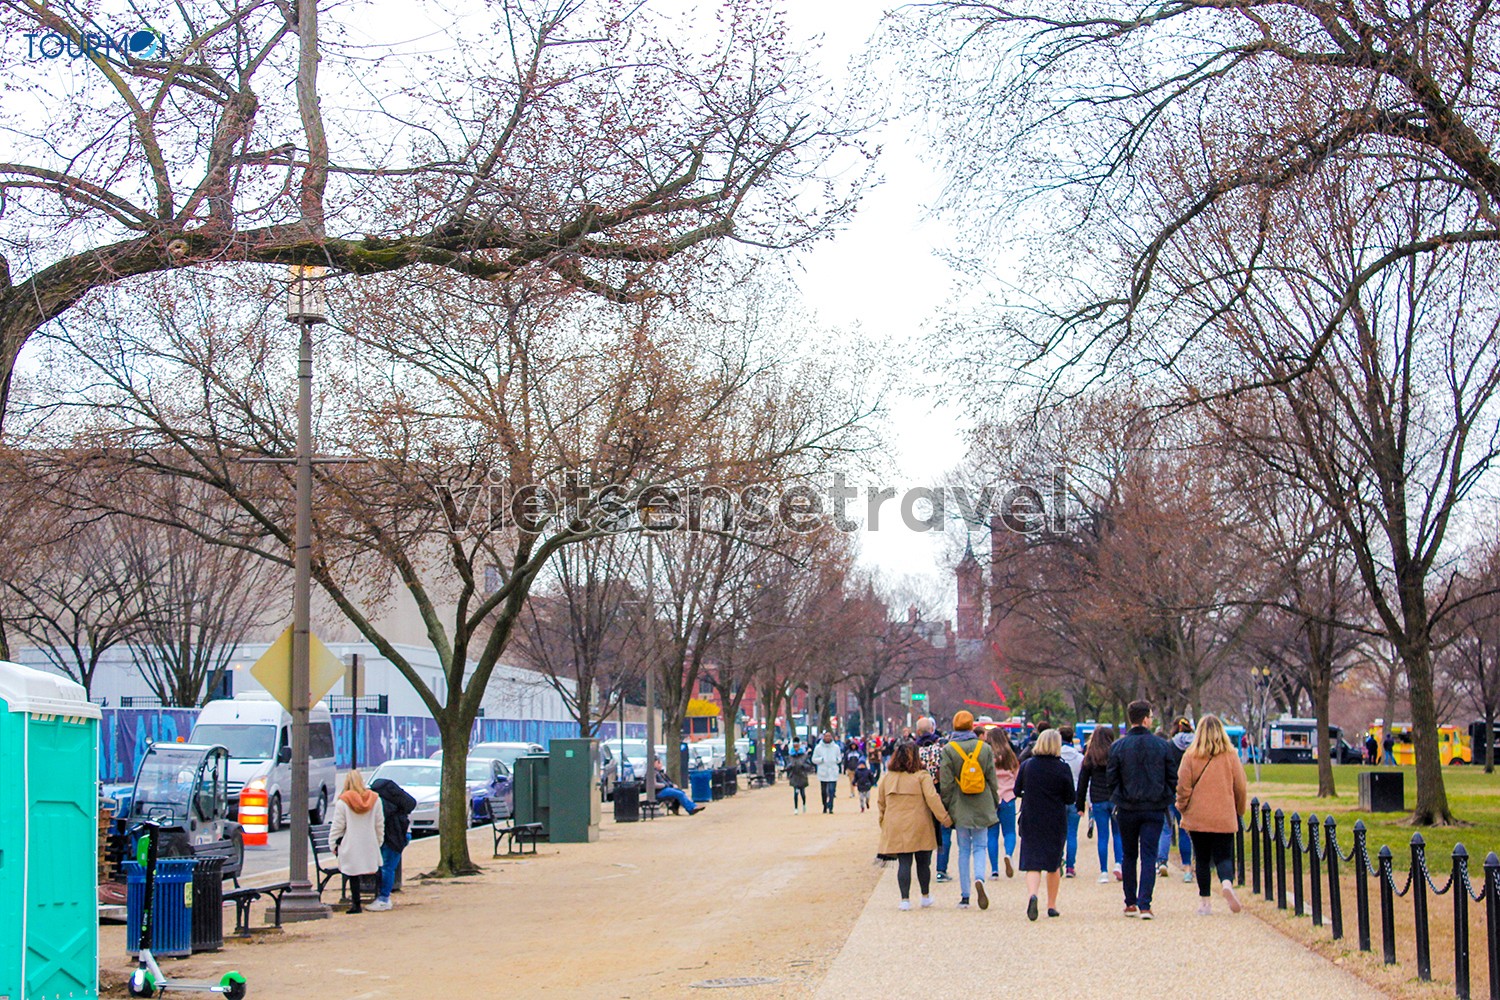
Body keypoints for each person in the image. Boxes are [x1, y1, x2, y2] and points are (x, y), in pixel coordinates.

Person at [1105, 700, 1177, 920]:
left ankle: (1130, 902)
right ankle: (1145, 903)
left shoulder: (1118, 747)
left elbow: (1111, 779)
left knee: (1129, 855)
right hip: (1153, 807)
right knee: (1148, 855)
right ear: (1145, 719)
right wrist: (1163, 796)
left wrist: (1120, 796)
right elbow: (1172, 777)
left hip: (1127, 807)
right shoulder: (1162, 746)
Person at [1177, 714, 1248, 915]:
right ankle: (1226, 883)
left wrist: (1182, 806)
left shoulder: (1190, 756)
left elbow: (1183, 786)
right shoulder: (1231, 756)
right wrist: (1239, 809)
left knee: (1201, 858)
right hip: (1223, 814)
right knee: (1224, 856)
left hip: (1198, 816)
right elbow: (1240, 786)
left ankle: (1205, 902)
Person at [878, 742, 953, 910]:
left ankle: (904, 899)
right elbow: (933, 799)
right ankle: (925, 896)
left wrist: (883, 822)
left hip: (896, 824)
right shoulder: (922, 775)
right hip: (920, 824)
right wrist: (945, 819)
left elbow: (881, 802)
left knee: (904, 863)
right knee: (923, 863)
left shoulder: (888, 777)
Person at [939, 710, 999, 910]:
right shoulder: (984, 748)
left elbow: (946, 783)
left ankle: (965, 896)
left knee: (963, 849)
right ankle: (980, 878)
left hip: (960, 803)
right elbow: (992, 778)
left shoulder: (949, 749)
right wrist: (994, 801)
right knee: (980, 846)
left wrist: (947, 805)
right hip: (982, 801)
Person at [1016, 728, 1076, 920]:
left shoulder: (1028, 765)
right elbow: (1070, 797)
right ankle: (1051, 904)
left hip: (1031, 817)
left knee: (1032, 862)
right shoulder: (1062, 767)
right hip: (1054, 819)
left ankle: (1033, 895)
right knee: (1053, 863)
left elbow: (1017, 790)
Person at [330, 769, 385, 915]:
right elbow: (379, 824)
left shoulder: (343, 802)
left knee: (352, 873)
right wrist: (379, 841)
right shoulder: (375, 800)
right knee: (375, 870)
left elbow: (338, 826)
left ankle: (356, 903)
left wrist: (333, 844)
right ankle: (379, 898)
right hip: (369, 842)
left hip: (351, 843)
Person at [1076, 725, 1124, 883]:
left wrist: (1080, 805)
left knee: (1102, 836)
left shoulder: (1090, 756)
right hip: (1115, 798)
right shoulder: (1116, 754)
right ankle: (1119, 864)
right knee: (1118, 834)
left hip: (1098, 799)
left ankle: (1103, 871)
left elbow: (1083, 782)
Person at [368, 773, 416, 911]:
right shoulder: (397, 804)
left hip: (391, 837)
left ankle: (384, 898)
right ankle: (383, 897)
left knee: (387, 867)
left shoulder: (383, 804)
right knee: (388, 867)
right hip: (401, 834)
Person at [915, 717, 954, 881]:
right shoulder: (941, 750)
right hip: (940, 793)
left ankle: (925, 866)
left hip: (919, 795)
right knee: (944, 830)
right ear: (932, 730)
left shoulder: (913, 751)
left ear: (918, 732)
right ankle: (941, 870)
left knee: (924, 832)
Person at [1160, 718, 1196, 881]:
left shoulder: (1169, 746)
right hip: (1189, 792)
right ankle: (1187, 867)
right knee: (1185, 831)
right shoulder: (1195, 747)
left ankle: (1162, 861)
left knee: (1166, 829)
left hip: (1170, 791)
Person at [984, 727, 1020, 879]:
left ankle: (994, 870)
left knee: (992, 835)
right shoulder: (1010, 756)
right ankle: (1008, 854)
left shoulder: (986, 755)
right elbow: (1017, 776)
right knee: (1009, 832)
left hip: (991, 798)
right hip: (1008, 797)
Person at [1058, 725, 1084, 878]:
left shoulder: (1056, 755)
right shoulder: (1079, 757)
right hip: (1074, 795)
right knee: (1072, 833)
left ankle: (1058, 860)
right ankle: (1070, 866)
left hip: (1059, 796)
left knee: (1059, 832)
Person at [812, 731, 843, 814]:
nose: (828, 737)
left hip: (833, 771)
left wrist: (836, 760)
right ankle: (824, 805)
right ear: (823, 737)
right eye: (826, 736)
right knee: (824, 791)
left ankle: (831, 806)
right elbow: (814, 759)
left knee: (832, 790)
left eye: (829, 736)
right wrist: (821, 760)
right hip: (823, 771)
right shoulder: (818, 747)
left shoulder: (836, 747)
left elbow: (839, 758)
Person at [786, 737, 811, 814]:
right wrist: (789, 767)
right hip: (794, 775)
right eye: (795, 747)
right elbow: (787, 765)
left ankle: (804, 804)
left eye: (797, 747)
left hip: (802, 775)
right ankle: (796, 808)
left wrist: (804, 766)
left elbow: (808, 765)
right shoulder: (790, 756)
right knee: (795, 793)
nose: (796, 748)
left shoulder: (804, 755)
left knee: (802, 792)